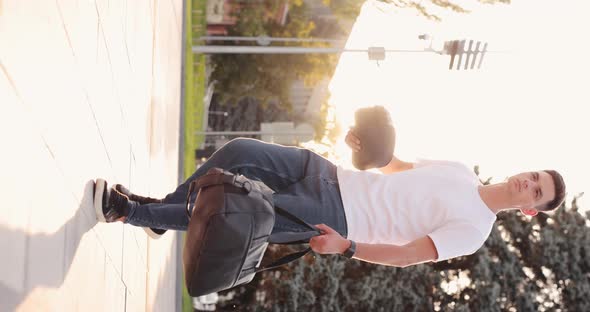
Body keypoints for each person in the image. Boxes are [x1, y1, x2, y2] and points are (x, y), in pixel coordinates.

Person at [93, 132, 566, 267]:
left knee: (229, 211)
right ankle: (160, 213)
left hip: (335, 216)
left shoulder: (475, 231)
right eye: (534, 175)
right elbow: (396, 168)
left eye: (538, 191)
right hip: (329, 173)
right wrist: (370, 147)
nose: (530, 183)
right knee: (241, 152)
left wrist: (347, 247)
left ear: (530, 209)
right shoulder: (461, 170)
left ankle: (132, 211)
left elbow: (406, 256)